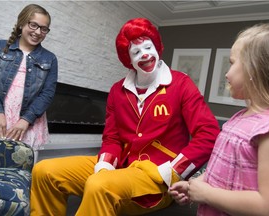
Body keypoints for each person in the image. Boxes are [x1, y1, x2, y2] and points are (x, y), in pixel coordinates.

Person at [30, 17, 220, 216]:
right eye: (136, 52)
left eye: (148, 47)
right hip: (120, 165)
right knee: (44, 171)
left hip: (156, 176)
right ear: (128, 59)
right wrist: (104, 166)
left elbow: (208, 134)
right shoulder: (117, 91)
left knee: (99, 185)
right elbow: (112, 138)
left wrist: (173, 171)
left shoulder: (181, 83)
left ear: (157, 47)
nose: (145, 54)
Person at [168, 23, 269, 216]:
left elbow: (268, 206)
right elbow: (221, 173)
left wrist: (208, 195)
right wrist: (194, 186)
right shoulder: (237, 119)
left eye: (232, 63)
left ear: (255, 70)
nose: (226, 74)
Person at [0, 4, 58, 162]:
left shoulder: (50, 59)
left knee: (22, 171)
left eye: (43, 28)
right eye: (33, 25)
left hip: (27, 123)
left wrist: (26, 120)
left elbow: (47, 93)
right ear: (22, 23)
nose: (38, 32)